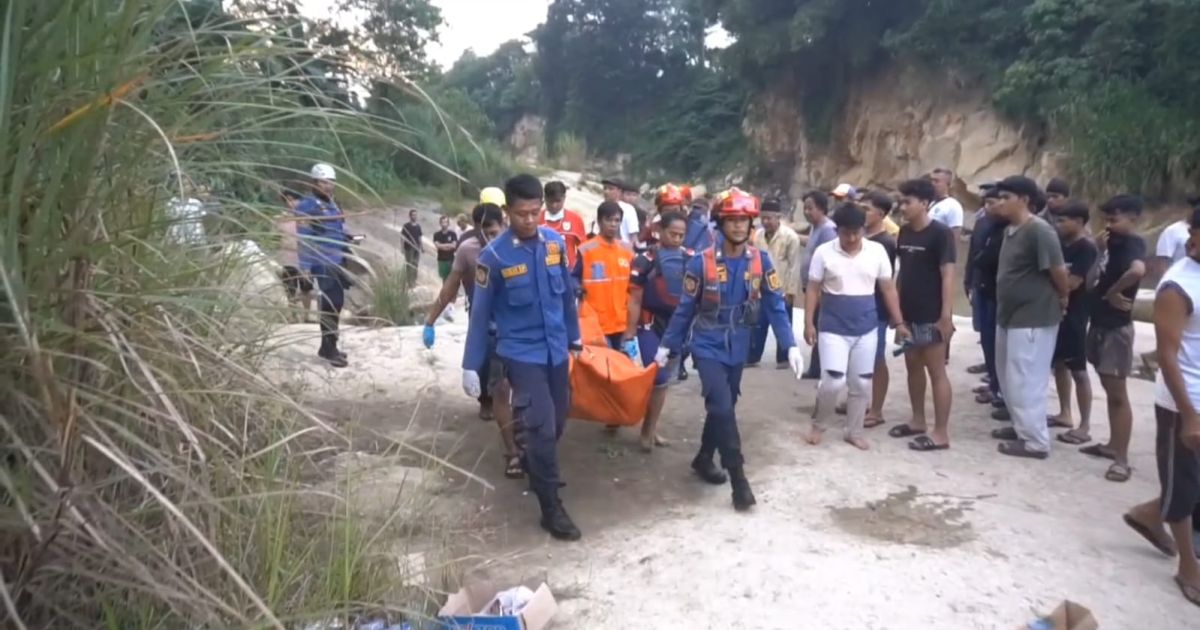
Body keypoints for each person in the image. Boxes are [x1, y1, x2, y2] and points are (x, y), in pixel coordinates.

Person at [658, 188, 803, 510]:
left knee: (724, 404)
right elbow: (684, 310)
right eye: (732, 220)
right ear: (720, 224)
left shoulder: (760, 260)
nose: (739, 227)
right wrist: (667, 346)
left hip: (739, 342)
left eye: (744, 221)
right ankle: (739, 478)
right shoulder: (700, 263)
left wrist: (789, 344)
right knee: (722, 406)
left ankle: (704, 457)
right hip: (707, 342)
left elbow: (775, 306)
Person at [462, 174, 583, 541]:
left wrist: (575, 336)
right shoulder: (493, 257)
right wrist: (471, 364)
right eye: (520, 214)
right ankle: (551, 508)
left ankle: (534, 460)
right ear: (507, 211)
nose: (529, 220)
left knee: (558, 420)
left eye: (534, 213)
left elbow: (566, 296)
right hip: (520, 352)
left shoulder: (555, 243)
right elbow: (480, 314)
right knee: (542, 428)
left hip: (556, 349)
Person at [1121, 206, 1200, 607]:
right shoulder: (1177, 287)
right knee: (1185, 482)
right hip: (1185, 400)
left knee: (1192, 481)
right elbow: (1167, 356)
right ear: (1193, 237)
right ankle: (1188, 566)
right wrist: (1188, 414)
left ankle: (1150, 514)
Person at [422, 204, 522, 478]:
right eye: (486, 232)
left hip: (520, 331)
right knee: (499, 388)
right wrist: (430, 321)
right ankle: (511, 452)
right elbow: (450, 287)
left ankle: (523, 435)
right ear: (477, 229)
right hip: (487, 330)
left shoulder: (518, 247)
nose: (493, 237)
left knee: (523, 391)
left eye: (496, 230)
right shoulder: (468, 252)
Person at [804, 203, 907, 450]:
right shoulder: (823, 252)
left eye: (856, 232)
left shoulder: (877, 251)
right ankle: (819, 424)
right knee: (832, 381)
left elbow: (888, 288)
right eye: (845, 233)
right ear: (837, 230)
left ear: (863, 229)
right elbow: (813, 288)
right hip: (833, 326)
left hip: (867, 326)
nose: (851, 238)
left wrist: (899, 322)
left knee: (861, 383)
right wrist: (809, 323)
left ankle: (854, 430)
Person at [989, 176, 1070, 459]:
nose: (999, 202)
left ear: (1024, 200)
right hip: (1009, 316)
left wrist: (1063, 296)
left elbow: (1059, 271)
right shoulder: (1011, 230)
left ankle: (1035, 441)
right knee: (1009, 376)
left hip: (1033, 317)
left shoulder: (1040, 230)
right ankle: (1021, 426)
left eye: (1005, 197)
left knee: (1027, 378)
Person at [1081, 195, 1147, 482]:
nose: (1109, 225)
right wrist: (1098, 251)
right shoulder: (1111, 244)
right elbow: (1090, 280)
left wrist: (1113, 292)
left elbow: (1137, 271)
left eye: (1115, 219)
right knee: (1110, 390)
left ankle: (1122, 459)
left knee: (1118, 395)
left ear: (1133, 219)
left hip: (1115, 328)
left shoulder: (1133, 243)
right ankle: (1112, 446)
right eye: (1106, 220)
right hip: (1099, 322)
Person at [889, 178, 955, 451]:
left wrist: (946, 316)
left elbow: (948, 275)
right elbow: (902, 273)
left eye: (908, 202)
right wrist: (898, 318)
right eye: (901, 202)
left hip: (932, 314)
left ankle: (941, 433)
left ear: (925, 204)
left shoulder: (941, 234)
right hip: (909, 313)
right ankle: (918, 420)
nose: (902, 207)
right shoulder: (903, 233)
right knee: (912, 366)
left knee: (936, 371)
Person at [624, 211, 689, 452]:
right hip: (649, 326)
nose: (677, 239)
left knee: (664, 383)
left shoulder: (691, 258)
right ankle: (640, 428)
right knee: (657, 378)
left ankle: (650, 429)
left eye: (682, 235)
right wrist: (630, 333)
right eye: (673, 233)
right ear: (660, 231)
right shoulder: (644, 260)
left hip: (677, 328)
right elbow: (634, 298)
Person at [1048, 201, 1100, 445]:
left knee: (1078, 370)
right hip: (1057, 313)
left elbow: (1073, 282)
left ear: (1079, 222)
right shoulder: (1060, 245)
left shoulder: (1086, 249)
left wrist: (1052, 287)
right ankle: (1064, 413)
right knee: (1059, 364)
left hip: (1076, 315)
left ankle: (1085, 424)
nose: (1058, 225)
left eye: (1063, 220)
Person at [295, 163, 352, 368]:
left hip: (337, 260)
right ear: (314, 183)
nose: (328, 186)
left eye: (331, 182)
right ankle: (329, 349)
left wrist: (348, 237)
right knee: (330, 304)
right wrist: (305, 267)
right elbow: (303, 237)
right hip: (321, 262)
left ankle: (328, 346)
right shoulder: (307, 206)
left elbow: (336, 228)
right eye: (323, 182)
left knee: (336, 304)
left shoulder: (332, 204)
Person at [749, 198, 802, 368]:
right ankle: (752, 356)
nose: (766, 221)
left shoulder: (790, 237)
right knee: (758, 323)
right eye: (763, 218)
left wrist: (791, 292)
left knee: (783, 322)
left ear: (778, 217)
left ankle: (784, 358)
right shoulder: (757, 235)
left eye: (769, 218)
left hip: (782, 287)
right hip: (760, 286)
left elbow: (794, 265)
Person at [575, 201, 636, 348]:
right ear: (599, 221)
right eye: (608, 220)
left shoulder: (627, 251)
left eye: (617, 220)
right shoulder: (586, 250)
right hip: (596, 324)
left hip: (622, 322)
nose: (613, 224)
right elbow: (574, 278)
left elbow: (635, 287)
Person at [862, 191, 899, 428]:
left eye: (867, 209)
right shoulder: (863, 239)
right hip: (861, 306)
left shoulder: (885, 243)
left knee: (876, 359)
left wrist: (896, 316)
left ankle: (877, 409)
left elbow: (887, 282)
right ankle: (860, 400)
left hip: (876, 307)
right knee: (860, 357)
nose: (862, 213)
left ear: (881, 214)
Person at [799, 190, 837, 379]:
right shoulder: (816, 227)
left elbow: (829, 263)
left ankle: (821, 368)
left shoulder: (828, 230)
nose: (806, 212)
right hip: (811, 286)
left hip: (821, 288)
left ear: (822, 209)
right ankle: (816, 367)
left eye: (810, 208)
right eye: (805, 208)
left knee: (821, 327)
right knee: (816, 326)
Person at [964, 182, 999, 376]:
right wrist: (968, 280)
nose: (987, 207)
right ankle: (990, 371)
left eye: (991, 202)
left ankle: (996, 378)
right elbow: (973, 254)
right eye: (985, 202)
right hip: (979, 284)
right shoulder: (982, 222)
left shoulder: (1003, 226)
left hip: (995, 289)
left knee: (993, 334)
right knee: (984, 332)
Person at [277, 188, 314, 319]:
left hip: (305, 258)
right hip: (287, 258)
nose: (290, 203)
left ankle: (307, 316)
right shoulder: (281, 219)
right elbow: (274, 237)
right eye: (287, 200)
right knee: (290, 289)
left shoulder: (308, 218)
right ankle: (293, 316)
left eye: (293, 199)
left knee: (306, 288)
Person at [540, 181, 587, 269]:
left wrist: (578, 269)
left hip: (568, 274)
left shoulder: (575, 219)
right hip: (543, 273)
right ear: (545, 198)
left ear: (564, 198)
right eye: (550, 201)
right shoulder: (537, 220)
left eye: (558, 201)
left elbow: (584, 248)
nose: (554, 205)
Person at [601, 178, 641, 245]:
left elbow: (633, 237)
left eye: (611, 189)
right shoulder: (601, 207)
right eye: (605, 188)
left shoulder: (628, 209)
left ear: (619, 191)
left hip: (621, 250)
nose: (606, 192)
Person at [929, 167, 964, 240]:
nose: (932, 184)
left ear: (948, 184)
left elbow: (955, 234)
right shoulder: (930, 203)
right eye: (931, 180)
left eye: (936, 181)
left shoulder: (953, 206)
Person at [400, 209, 423, 286]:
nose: (415, 216)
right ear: (410, 216)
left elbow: (420, 237)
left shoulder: (418, 226)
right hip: (409, 248)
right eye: (413, 215)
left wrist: (422, 247)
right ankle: (409, 282)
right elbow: (402, 237)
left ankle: (414, 280)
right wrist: (402, 247)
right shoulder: (406, 226)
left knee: (416, 264)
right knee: (409, 265)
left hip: (417, 248)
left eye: (415, 215)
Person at [433, 216, 458, 282]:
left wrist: (443, 246)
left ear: (448, 223)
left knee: (453, 278)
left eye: (446, 222)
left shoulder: (453, 234)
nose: (444, 224)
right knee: (444, 278)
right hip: (442, 259)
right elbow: (438, 246)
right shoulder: (436, 234)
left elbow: (454, 246)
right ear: (440, 223)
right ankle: (445, 291)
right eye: (442, 222)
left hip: (451, 259)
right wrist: (448, 245)